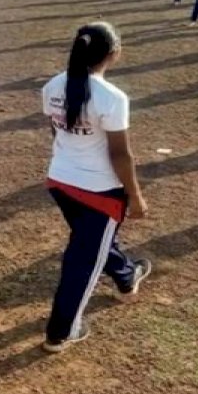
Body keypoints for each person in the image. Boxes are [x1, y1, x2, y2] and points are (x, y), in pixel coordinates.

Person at [41, 22, 149, 353]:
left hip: (61, 182)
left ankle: (127, 275)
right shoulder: (112, 97)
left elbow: (56, 131)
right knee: (83, 260)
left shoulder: (51, 85)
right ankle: (61, 332)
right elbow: (120, 153)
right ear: (114, 54)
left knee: (93, 242)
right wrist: (135, 196)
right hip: (100, 191)